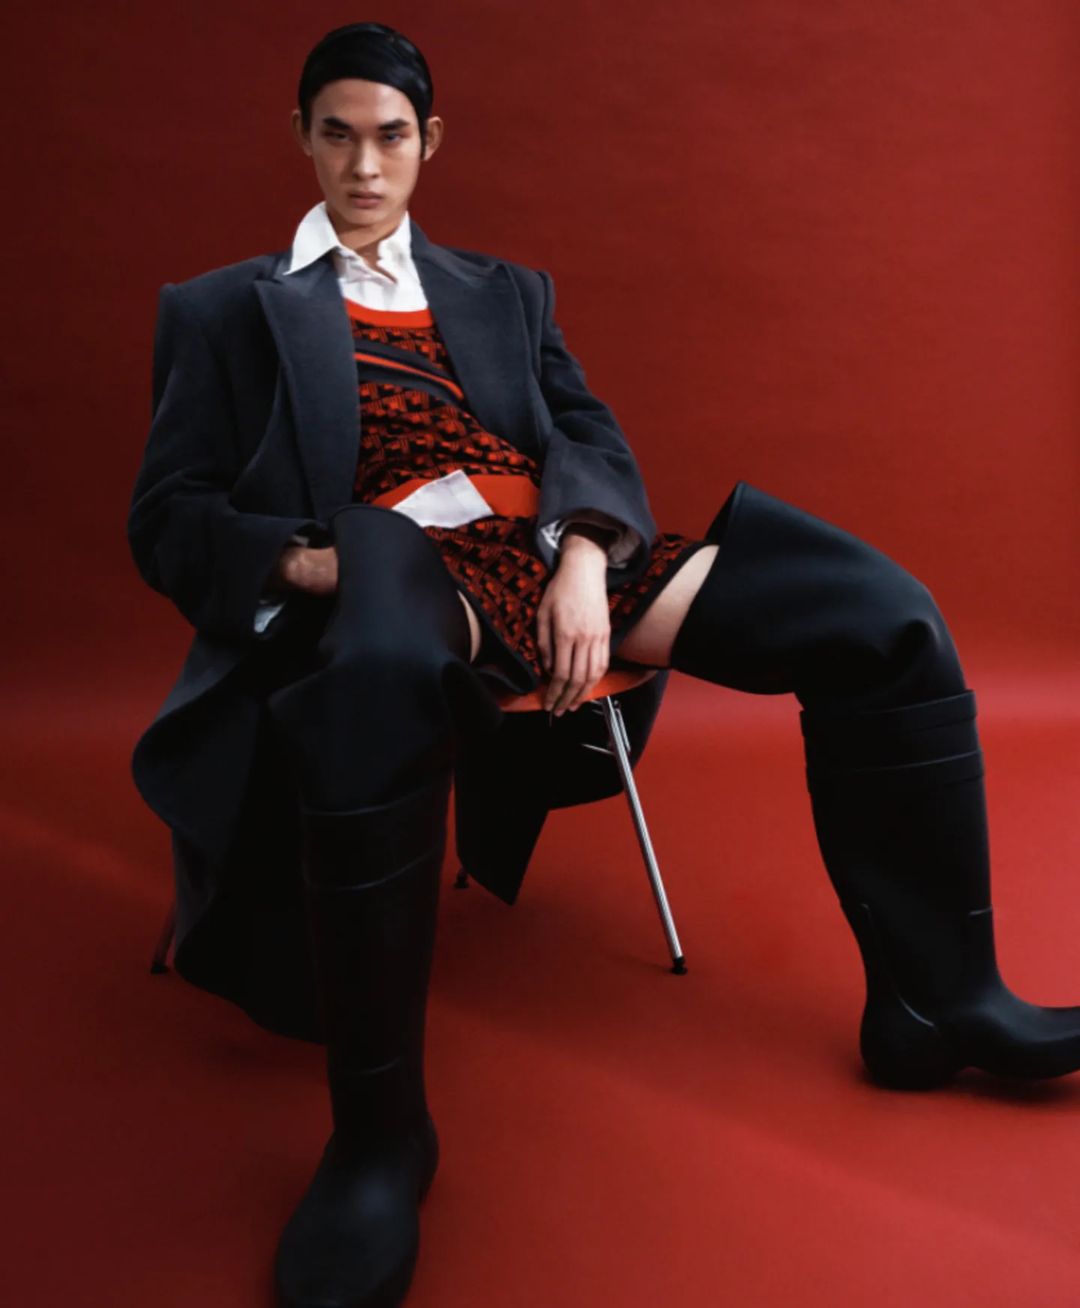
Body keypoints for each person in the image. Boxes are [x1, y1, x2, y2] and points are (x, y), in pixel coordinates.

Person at [127, 21, 1080, 1308]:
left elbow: (586, 432)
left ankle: (939, 998)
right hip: (394, 571)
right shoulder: (223, 311)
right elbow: (168, 515)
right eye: (337, 135)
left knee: (881, 617)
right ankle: (379, 1141)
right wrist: (302, 566)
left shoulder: (505, 292)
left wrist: (583, 550)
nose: (363, 165)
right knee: (376, 664)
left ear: (429, 142)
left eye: (390, 136)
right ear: (301, 138)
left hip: (548, 554)